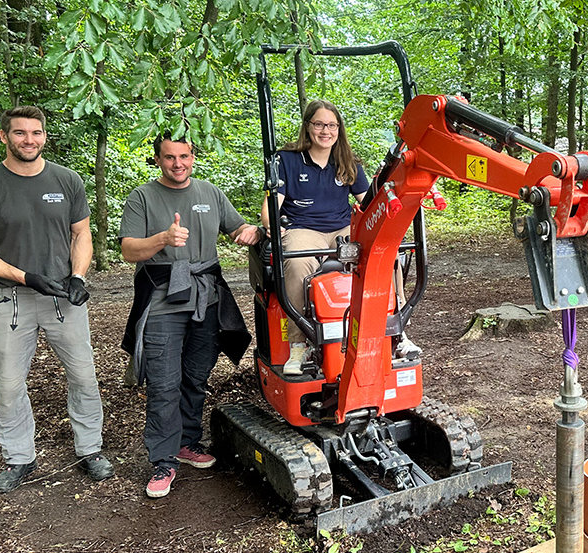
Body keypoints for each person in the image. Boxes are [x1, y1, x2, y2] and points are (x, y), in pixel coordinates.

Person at [0, 105, 113, 492]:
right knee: (9, 384)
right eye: (20, 133)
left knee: (84, 376)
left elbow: (81, 234)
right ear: (4, 136)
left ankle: (90, 450)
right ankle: (19, 457)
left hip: (63, 297)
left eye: (36, 132)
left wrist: (78, 276)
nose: (29, 140)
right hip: (10, 299)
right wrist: (25, 277)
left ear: (44, 135)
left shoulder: (67, 180)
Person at [120, 134, 263, 498]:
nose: (178, 163)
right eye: (169, 157)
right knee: (163, 382)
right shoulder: (142, 197)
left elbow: (237, 228)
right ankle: (163, 460)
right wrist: (163, 239)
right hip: (163, 298)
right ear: (157, 159)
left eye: (184, 156)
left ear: (193, 157)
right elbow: (129, 250)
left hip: (206, 297)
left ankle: (187, 442)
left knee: (196, 375)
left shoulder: (209, 192)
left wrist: (252, 232)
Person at [260, 100, 416, 375]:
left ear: (339, 129)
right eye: (319, 124)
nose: (326, 131)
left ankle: (396, 332)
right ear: (308, 126)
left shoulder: (347, 162)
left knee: (384, 253)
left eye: (331, 125)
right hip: (303, 228)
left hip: (343, 229)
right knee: (296, 261)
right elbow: (270, 207)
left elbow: (368, 203)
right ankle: (298, 345)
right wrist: (271, 224)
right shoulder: (287, 160)